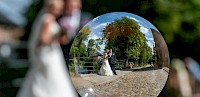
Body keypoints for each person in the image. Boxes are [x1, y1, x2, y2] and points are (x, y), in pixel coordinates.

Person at [16, 0, 78, 97]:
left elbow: (60, 41)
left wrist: (65, 33)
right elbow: (43, 40)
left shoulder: (50, 19)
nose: (59, 11)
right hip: (48, 54)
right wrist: (56, 36)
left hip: (52, 52)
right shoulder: (48, 19)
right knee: (51, 78)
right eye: (57, 8)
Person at [57, 0, 93, 68]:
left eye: (75, 2)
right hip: (62, 56)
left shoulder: (86, 17)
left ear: (80, 4)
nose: (72, 5)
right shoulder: (59, 17)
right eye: (70, 3)